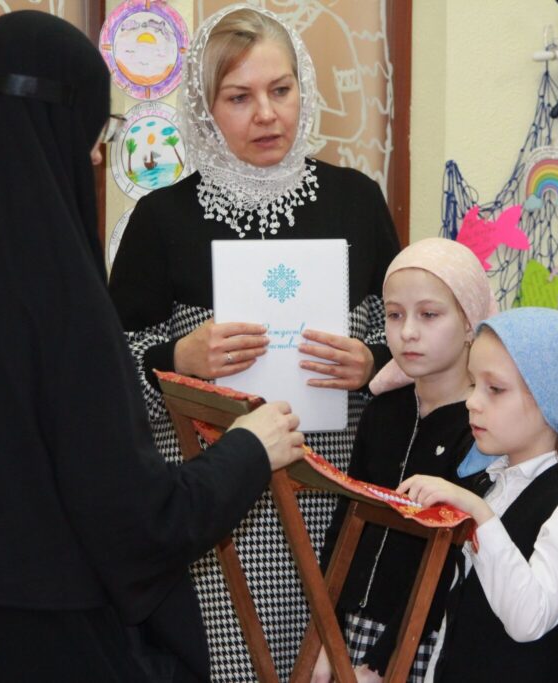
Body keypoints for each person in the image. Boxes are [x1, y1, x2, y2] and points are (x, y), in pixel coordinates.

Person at [0, 11, 303, 682]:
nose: (95, 156)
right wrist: (249, 450)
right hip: (48, 639)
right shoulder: (56, 298)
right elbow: (139, 518)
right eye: (92, 133)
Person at [107, 5, 400, 679]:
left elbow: (414, 342)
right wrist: (175, 360)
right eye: (239, 97)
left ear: (304, 90)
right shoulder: (162, 220)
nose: (266, 114)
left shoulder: (356, 202)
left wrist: (372, 361)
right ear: (205, 109)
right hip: (212, 524)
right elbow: (107, 372)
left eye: (281, 90)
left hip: (337, 509)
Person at [397, 307, 558, 683]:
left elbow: (529, 620)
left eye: (495, 389)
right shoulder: (490, 482)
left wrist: (480, 515)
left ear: (553, 398)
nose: (472, 402)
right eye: (473, 384)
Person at [312, 237, 497, 683]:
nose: (408, 332)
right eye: (395, 315)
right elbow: (345, 522)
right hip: (348, 630)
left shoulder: (480, 428)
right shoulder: (382, 411)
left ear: (469, 323)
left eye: (429, 315)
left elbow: (451, 562)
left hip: (424, 639)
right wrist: (323, 633)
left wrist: (384, 661)